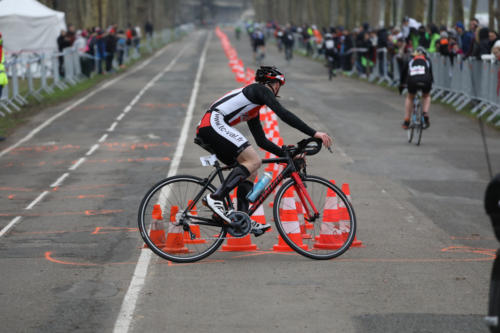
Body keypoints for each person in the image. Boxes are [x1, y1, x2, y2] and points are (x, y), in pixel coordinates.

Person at [195, 66, 332, 235]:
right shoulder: (259, 90)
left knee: (251, 169)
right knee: (254, 160)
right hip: (213, 123)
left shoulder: (253, 106)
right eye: (278, 85)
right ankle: (216, 197)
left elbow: (262, 141)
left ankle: (241, 218)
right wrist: (314, 133)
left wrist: (286, 154)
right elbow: (282, 113)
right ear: (273, 83)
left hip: (212, 127)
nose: (278, 90)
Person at [399, 47, 433, 129]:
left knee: (410, 97)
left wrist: (402, 84)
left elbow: (403, 73)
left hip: (412, 80)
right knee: (426, 96)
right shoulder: (427, 60)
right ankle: (425, 112)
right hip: (425, 80)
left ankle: (407, 120)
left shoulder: (410, 59)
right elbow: (431, 74)